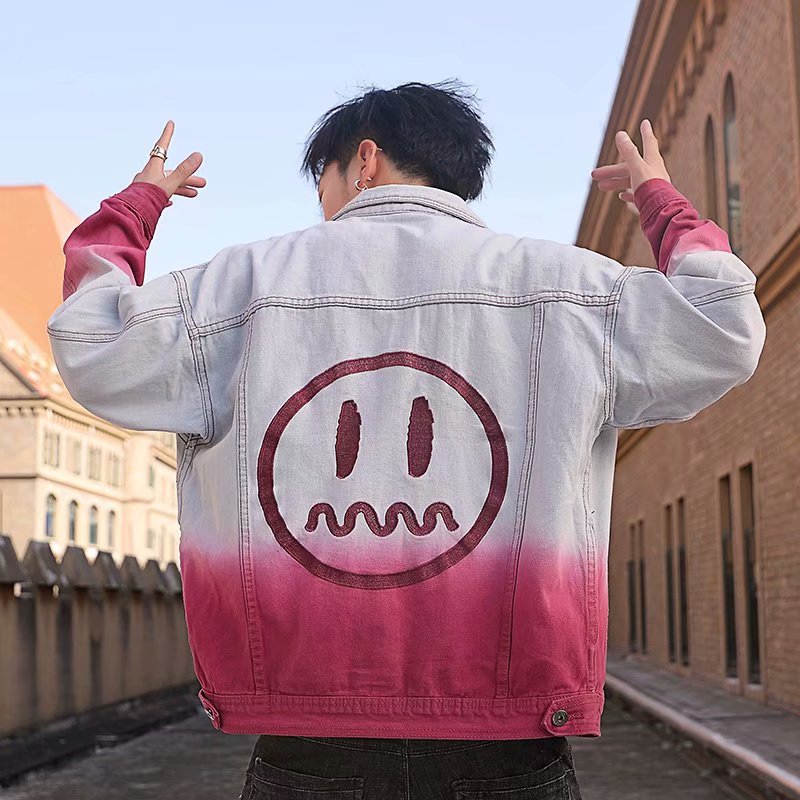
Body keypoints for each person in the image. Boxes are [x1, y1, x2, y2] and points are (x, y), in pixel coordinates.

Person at [46, 80, 766, 800]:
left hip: (309, 743)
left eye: (323, 183)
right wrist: (660, 202)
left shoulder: (239, 286)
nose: (323, 207)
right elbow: (725, 324)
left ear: (364, 161)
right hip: (511, 747)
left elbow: (91, 342)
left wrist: (136, 206)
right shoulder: (571, 288)